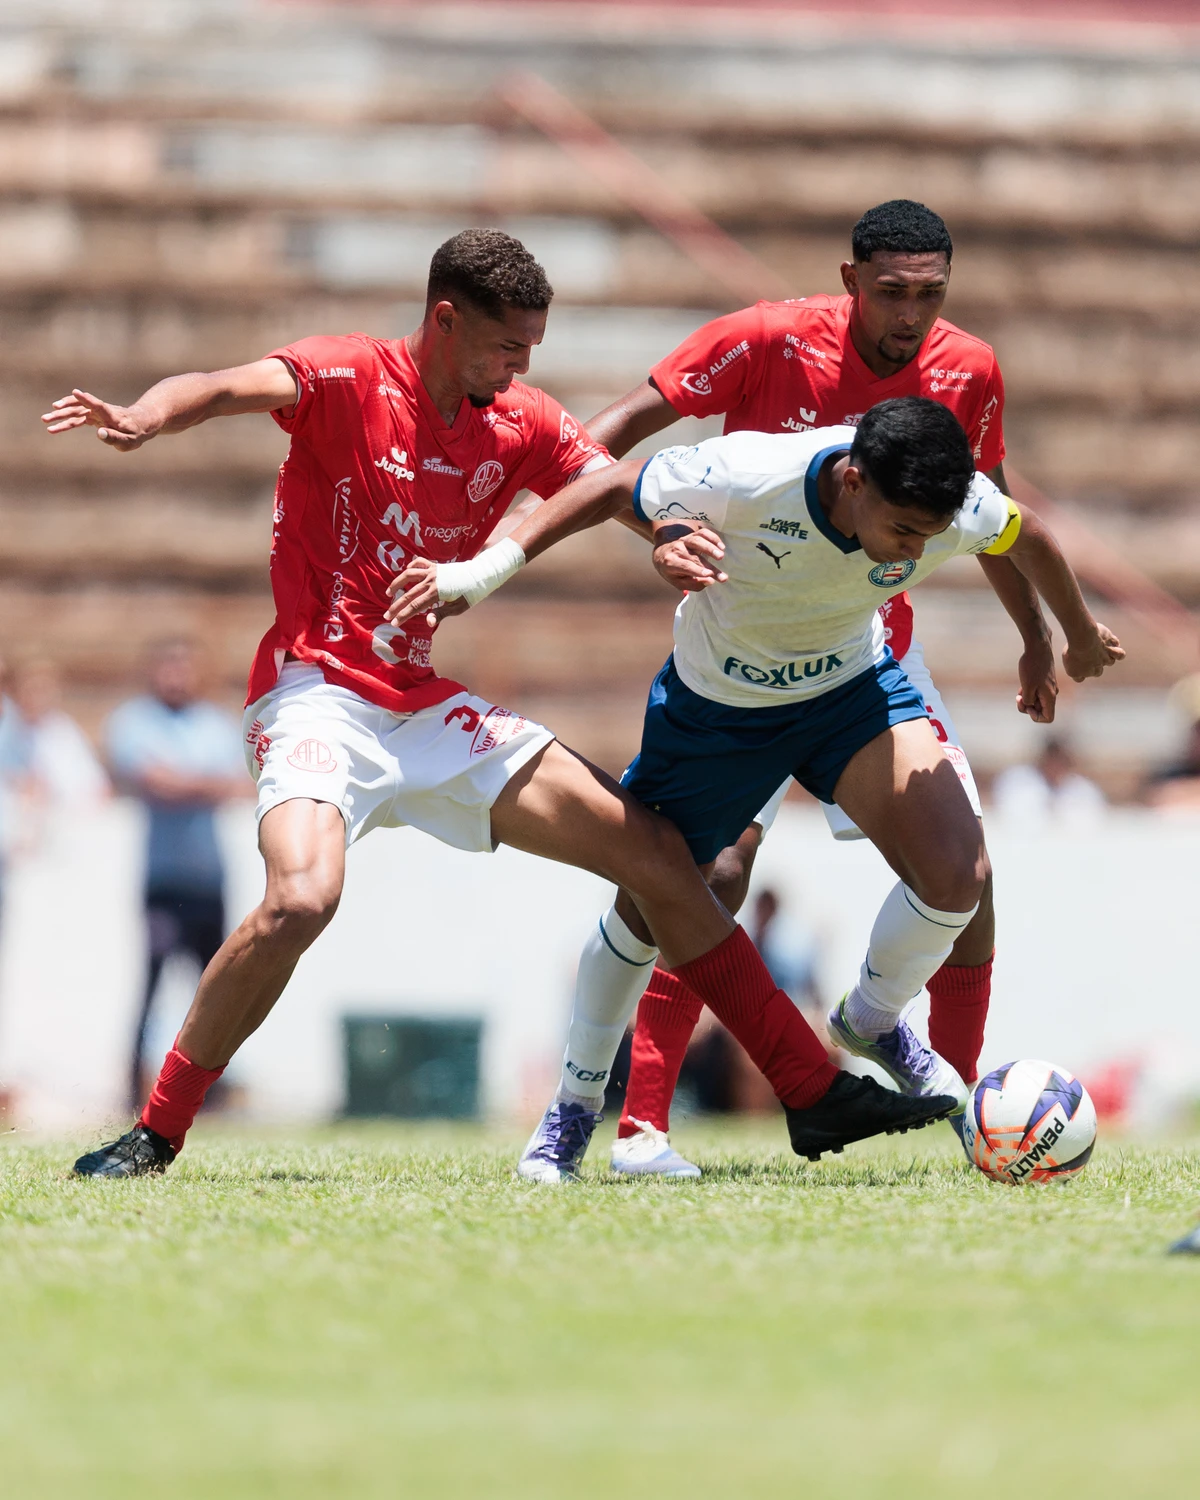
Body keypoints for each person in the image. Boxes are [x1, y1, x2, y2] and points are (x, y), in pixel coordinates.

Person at [46, 229, 950, 1177]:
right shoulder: (351, 376)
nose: (523, 368)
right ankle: (156, 1130)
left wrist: (669, 535)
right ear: (446, 319)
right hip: (316, 695)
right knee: (303, 898)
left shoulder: (516, 419)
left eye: (533, 350)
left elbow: (607, 485)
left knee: (657, 853)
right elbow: (227, 386)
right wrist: (148, 414)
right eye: (510, 347)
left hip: (426, 708)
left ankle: (808, 1091)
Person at [385, 399, 1123, 1181]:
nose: (914, 551)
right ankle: (572, 1110)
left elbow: (1029, 533)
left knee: (959, 875)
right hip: (721, 712)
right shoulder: (746, 473)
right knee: (650, 904)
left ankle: (871, 1017)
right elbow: (604, 487)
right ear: (852, 479)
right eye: (904, 531)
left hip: (849, 690)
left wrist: (1069, 635)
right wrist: (484, 570)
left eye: (928, 537)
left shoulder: (950, 504)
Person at [579, 198, 1061, 1174]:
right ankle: (642, 1125)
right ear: (851, 283)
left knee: (967, 879)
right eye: (892, 292)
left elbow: (993, 505)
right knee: (712, 870)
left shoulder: (969, 368)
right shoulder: (760, 340)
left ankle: (953, 1106)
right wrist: (664, 533)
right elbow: (595, 443)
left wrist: (1036, 638)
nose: (912, 314)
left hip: (871, 651)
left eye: (931, 295)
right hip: (747, 646)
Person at [106, 640, 246, 1107]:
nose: (175, 679)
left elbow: (235, 784)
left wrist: (184, 781)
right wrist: (201, 784)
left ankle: (211, 1086)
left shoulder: (216, 724)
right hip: (163, 883)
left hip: (209, 881)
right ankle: (135, 1086)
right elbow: (153, 781)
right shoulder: (133, 721)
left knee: (216, 988)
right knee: (152, 984)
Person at [992, 737, 1105, 826]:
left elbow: (1093, 821)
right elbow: (1010, 815)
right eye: (1052, 760)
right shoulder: (1017, 781)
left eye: (1061, 761)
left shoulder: (1083, 789)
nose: (1055, 766)